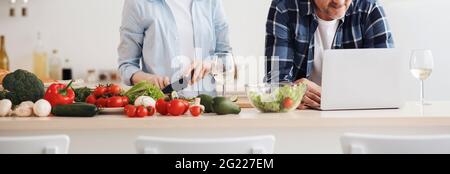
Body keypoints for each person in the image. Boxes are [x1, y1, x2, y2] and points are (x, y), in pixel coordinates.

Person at [265, 0, 394, 109]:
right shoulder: (284, 8)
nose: (339, 2)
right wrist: (293, 91)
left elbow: (386, 85)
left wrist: (329, 95)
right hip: (303, 116)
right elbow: (276, 83)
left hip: (356, 115)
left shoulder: (370, 8)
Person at [118, 0, 231, 97]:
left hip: (207, 109)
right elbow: (127, 65)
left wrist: (209, 64)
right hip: (161, 109)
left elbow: (226, 57)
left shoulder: (211, 2)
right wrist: (147, 79)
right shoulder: (138, 3)